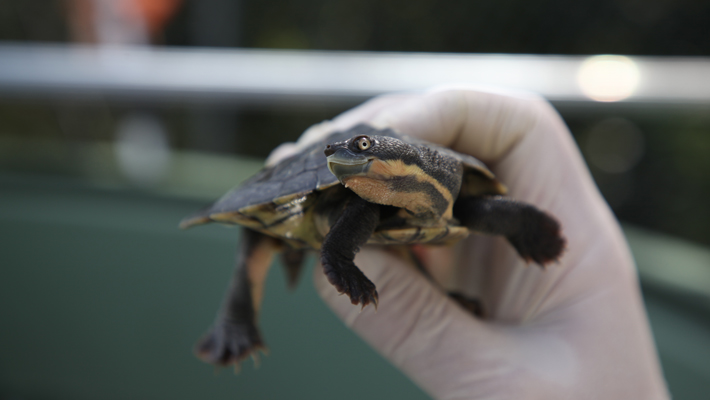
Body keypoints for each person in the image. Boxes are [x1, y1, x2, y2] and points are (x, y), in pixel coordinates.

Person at [269, 88, 670, 399]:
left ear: (404, 156)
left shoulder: (463, 205)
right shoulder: (369, 203)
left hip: (433, 224)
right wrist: (338, 257)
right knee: (349, 216)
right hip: (345, 218)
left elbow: (496, 210)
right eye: (337, 154)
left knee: (484, 217)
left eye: (359, 147)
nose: (340, 155)